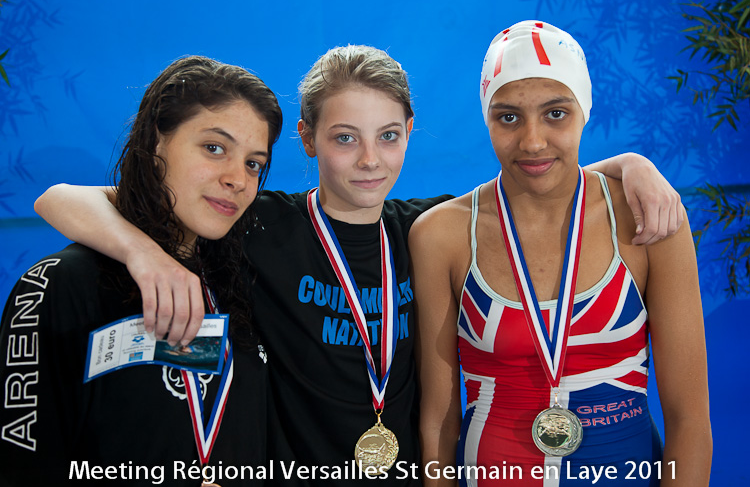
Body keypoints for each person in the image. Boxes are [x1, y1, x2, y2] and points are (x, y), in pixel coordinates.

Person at [33, 45, 682, 486]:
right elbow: (63, 198)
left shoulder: (430, 230)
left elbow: (537, 176)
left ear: (409, 131)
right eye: (345, 138)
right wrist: (142, 252)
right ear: (308, 138)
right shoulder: (261, 222)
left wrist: (631, 165)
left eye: (388, 136)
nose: (370, 159)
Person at [411, 21, 711, 487]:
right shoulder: (441, 236)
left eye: (556, 113)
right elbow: (438, 423)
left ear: (584, 110)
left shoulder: (648, 219)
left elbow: (688, 419)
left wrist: (632, 163)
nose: (532, 141)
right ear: (487, 119)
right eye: (508, 117)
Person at [0, 55, 283, 486]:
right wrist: (142, 253)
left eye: (253, 163)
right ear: (155, 142)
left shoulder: (246, 277)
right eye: (214, 148)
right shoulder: (62, 283)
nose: (238, 179)